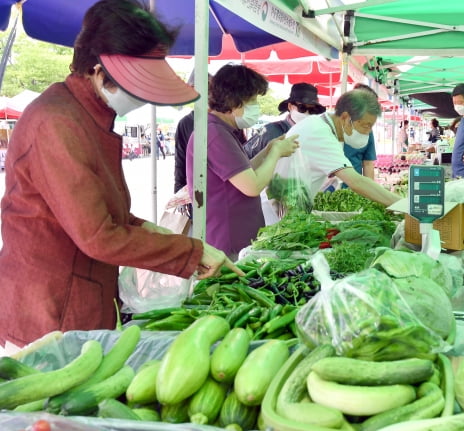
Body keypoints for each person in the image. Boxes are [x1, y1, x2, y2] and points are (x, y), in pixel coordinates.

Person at [0, 0, 243, 349]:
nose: (143, 100)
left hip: (85, 297)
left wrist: (147, 227)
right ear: (98, 73)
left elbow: (98, 207)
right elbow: (98, 234)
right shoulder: (57, 123)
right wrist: (190, 252)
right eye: (136, 88)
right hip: (48, 313)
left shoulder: (89, 115)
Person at [186, 64, 299, 260]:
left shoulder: (221, 129)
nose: (256, 107)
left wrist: (268, 150)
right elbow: (252, 186)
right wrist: (276, 154)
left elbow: (244, 172)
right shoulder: (214, 134)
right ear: (235, 102)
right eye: (253, 100)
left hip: (236, 239)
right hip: (227, 244)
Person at [272, 88, 401, 215]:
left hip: (290, 205)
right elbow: (355, 181)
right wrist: (403, 205)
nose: (367, 132)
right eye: (365, 126)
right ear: (345, 117)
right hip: (281, 212)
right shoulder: (320, 133)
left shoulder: (321, 125)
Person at [243, 82, 325, 159]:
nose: (307, 113)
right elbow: (243, 157)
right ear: (290, 106)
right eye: (302, 108)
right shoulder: (271, 131)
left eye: (312, 110)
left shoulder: (318, 134)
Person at [342, 83, 378, 184]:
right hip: (329, 189)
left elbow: (368, 164)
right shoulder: (333, 124)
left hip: (355, 190)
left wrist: (370, 194)